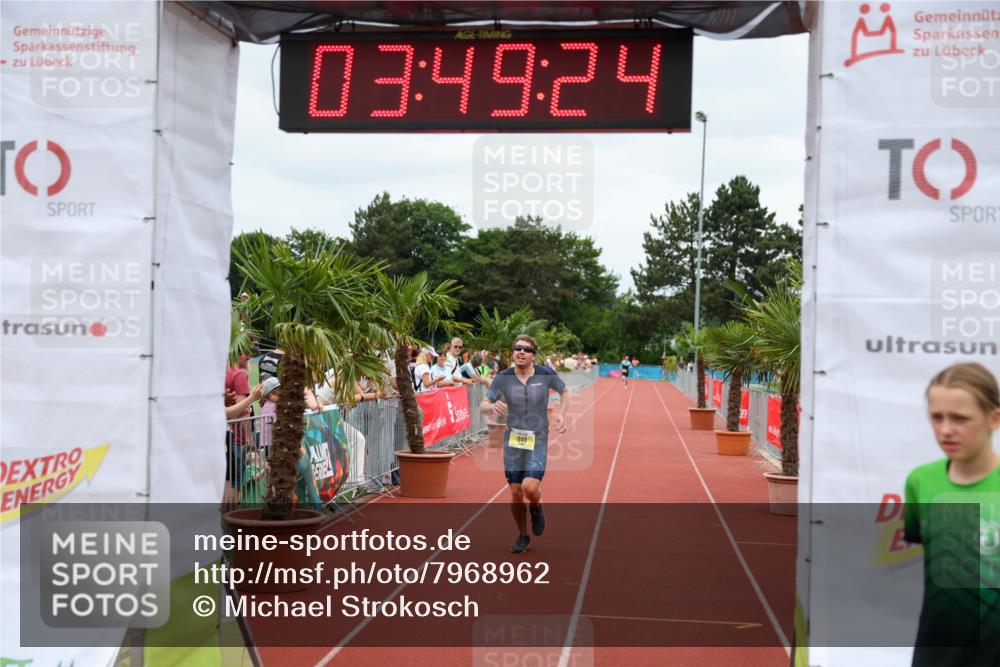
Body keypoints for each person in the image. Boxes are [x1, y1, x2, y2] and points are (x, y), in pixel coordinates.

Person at [904, 362, 1000, 666]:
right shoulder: (920, 481)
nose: (946, 430)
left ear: (994, 418)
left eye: (960, 418)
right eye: (937, 417)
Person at [480, 334, 570, 554]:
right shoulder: (503, 377)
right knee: (515, 491)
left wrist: (561, 413)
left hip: (538, 437)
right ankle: (522, 534)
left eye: (526, 349)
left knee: (530, 487)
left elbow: (564, 391)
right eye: (517, 348)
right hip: (513, 439)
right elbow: (484, 402)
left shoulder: (545, 374)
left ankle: (537, 507)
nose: (520, 352)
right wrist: (490, 408)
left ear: (533, 355)